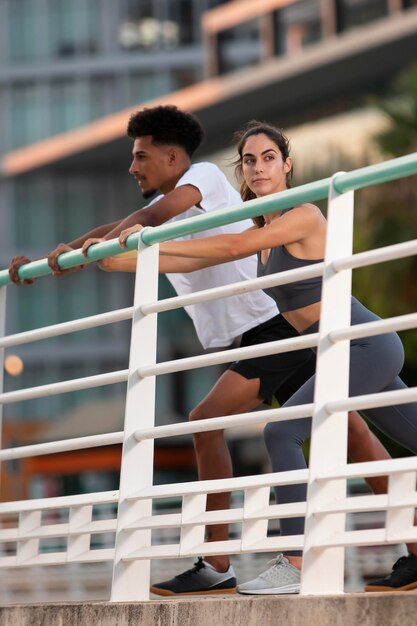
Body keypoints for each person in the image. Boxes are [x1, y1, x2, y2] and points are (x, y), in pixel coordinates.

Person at [94, 113, 417, 596]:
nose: (258, 168)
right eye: (248, 161)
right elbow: (210, 249)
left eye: (268, 159)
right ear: (240, 171)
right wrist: (128, 258)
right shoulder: (262, 223)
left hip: (365, 343)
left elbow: (230, 246)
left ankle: (295, 558)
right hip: (337, 350)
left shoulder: (302, 215)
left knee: (282, 429)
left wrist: (140, 250)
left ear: (287, 165)